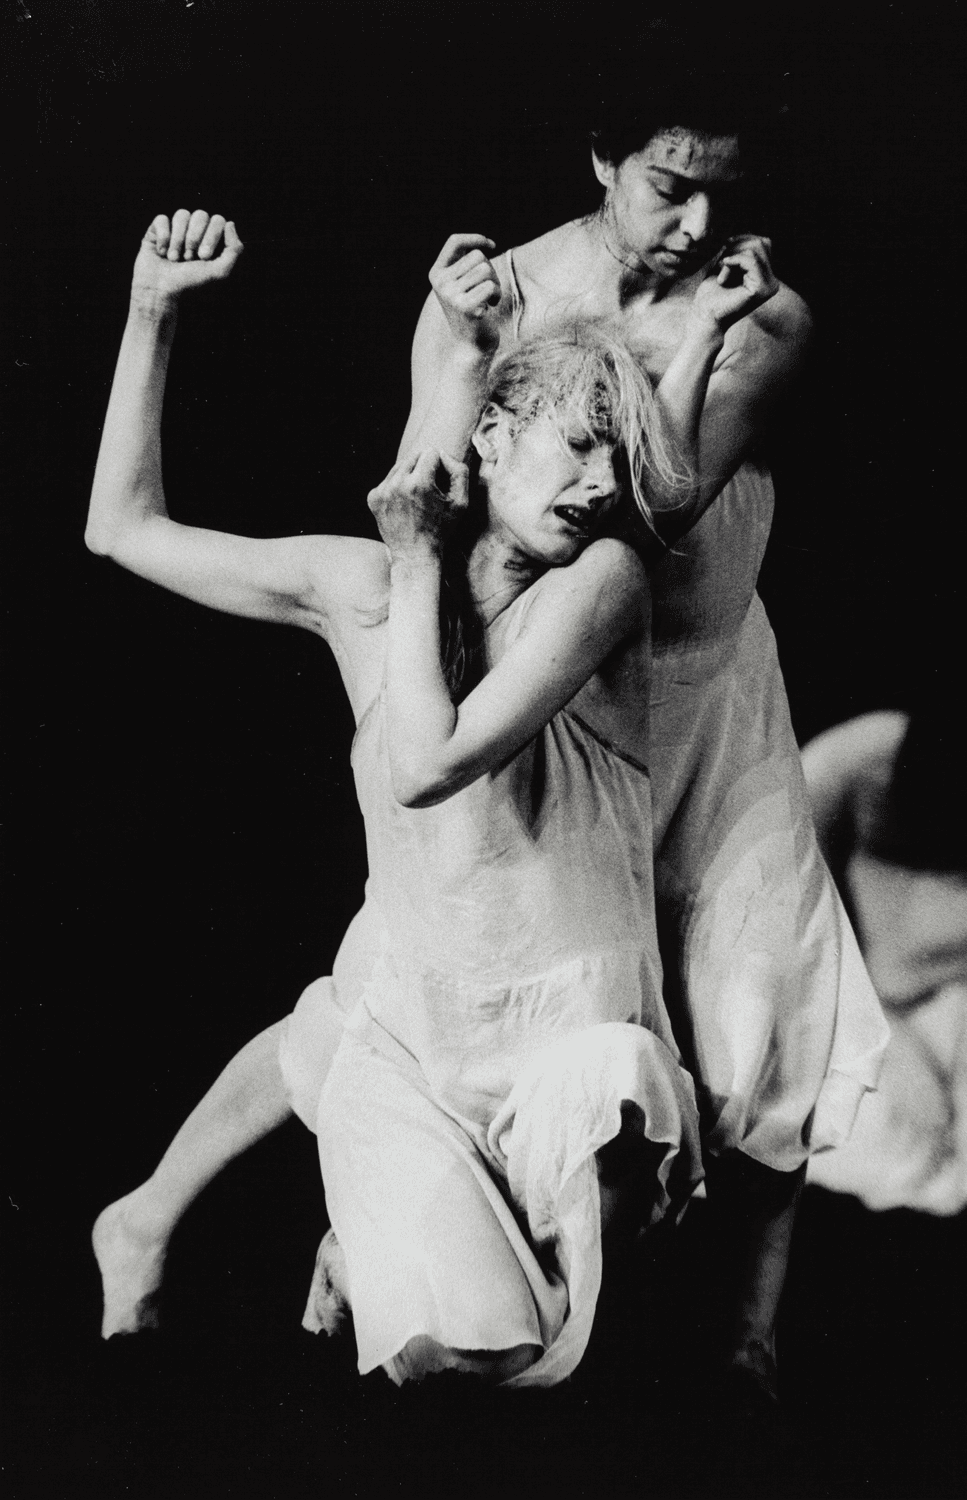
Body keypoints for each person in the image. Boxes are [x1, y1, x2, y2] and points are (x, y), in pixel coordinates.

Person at [94, 50, 890, 1399]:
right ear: (601, 156)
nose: (695, 223)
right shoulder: (495, 306)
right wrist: (180, 316)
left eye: (722, 193)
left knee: (751, 1016)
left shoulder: (748, 343)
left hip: (676, 692)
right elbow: (425, 485)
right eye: (666, 183)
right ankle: (249, 1219)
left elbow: (658, 502)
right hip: (498, 669)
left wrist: (697, 330)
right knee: (393, 988)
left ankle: (741, 1345)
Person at [87, 209, 703, 1386]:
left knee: (557, 1354)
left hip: (564, 1036)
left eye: (613, 466)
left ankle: (328, 1240)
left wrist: (420, 557)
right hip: (420, 1016)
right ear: (496, 435)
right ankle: (173, 1223)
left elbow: (426, 764)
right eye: (574, 446)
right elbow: (121, 529)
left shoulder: (604, 587)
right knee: (441, 1363)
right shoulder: (359, 586)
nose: (593, 487)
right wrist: (151, 312)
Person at [803, 705, 967, 1215]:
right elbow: (807, 956)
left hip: (961, 1002)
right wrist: (893, 1047)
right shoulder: (835, 784)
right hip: (843, 1001)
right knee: (881, 1140)